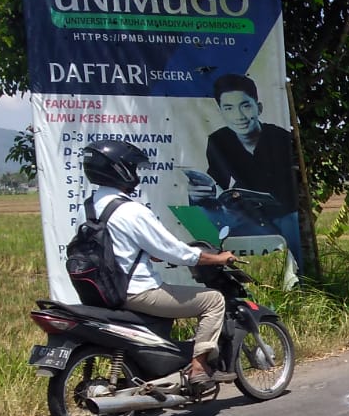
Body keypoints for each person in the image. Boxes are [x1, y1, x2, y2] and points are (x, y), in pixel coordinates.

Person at [82, 139, 239, 387]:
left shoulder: (92, 206)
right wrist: (218, 258)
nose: (136, 174)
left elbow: (122, 246)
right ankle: (198, 368)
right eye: (132, 168)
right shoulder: (130, 211)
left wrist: (150, 252)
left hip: (108, 290)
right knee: (214, 300)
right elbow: (174, 251)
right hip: (138, 291)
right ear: (120, 170)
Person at [188, 73, 301, 263]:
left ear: (259, 108)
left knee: (291, 238)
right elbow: (216, 184)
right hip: (245, 216)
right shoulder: (218, 140)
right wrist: (198, 194)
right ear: (221, 112)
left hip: (284, 216)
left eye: (245, 105)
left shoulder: (281, 139)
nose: (238, 116)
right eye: (228, 108)